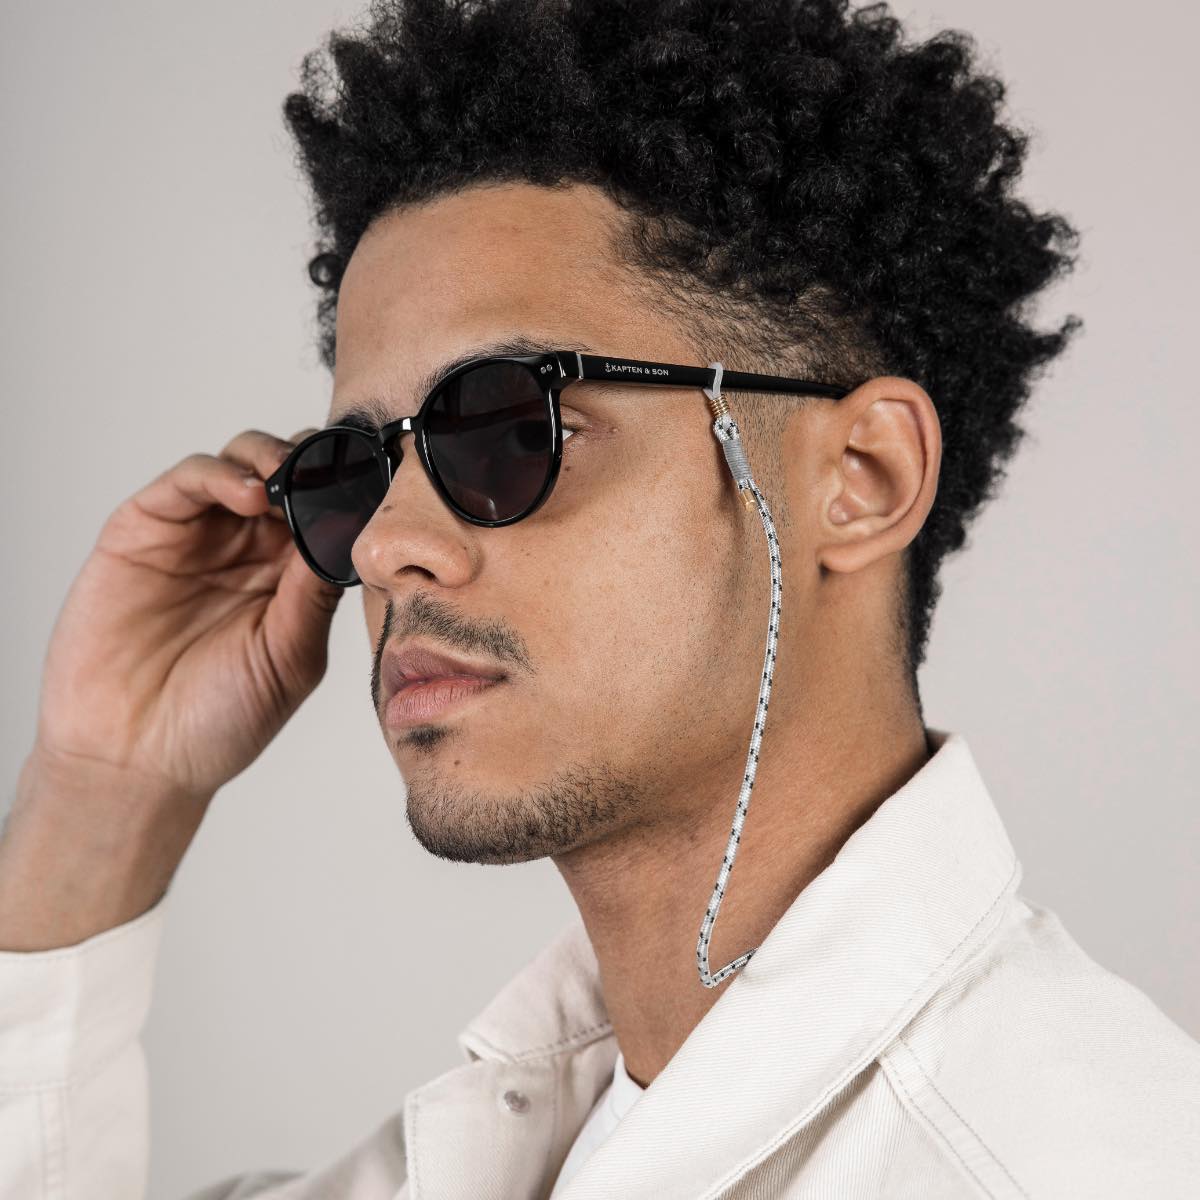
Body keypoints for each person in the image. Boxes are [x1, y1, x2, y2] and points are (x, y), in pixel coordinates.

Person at [1, 0, 1197, 1196]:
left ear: (862, 477)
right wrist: (102, 790)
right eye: (353, 471)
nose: (385, 545)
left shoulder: (1067, 1167)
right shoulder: (497, 1152)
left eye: (511, 429)